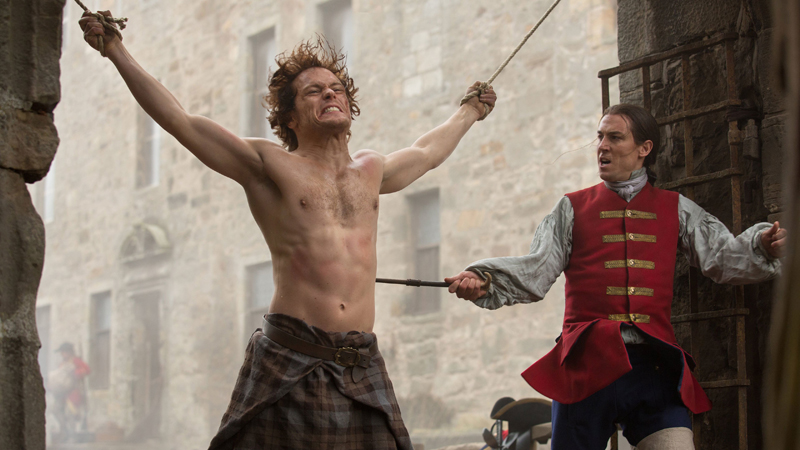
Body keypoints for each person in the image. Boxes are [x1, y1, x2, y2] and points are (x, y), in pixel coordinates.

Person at [79, 10, 496, 450]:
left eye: (336, 89)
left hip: (358, 363)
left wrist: (471, 110)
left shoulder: (372, 170)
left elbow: (427, 151)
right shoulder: (268, 165)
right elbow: (180, 120)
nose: (329, 94)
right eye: (313, 91)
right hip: (290, 359)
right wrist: (115, 49)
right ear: (291, 118)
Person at [445, 104, 786, 450]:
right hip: (585, 367)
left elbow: (721, 256)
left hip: (652, 368)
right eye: (600, 137)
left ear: (644, 148)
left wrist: (762, 246)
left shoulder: (677, 208)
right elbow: (536, 269)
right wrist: (484, 279)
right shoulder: (570, 208)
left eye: (615, 137)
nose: (602, 146)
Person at [49, 342, 91, 443]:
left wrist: (76, 373)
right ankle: (64, 431)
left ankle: (73, 436)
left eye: (63, 352)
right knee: (55, 410)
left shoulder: (76, 361)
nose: (62, 354)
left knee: (70, 414)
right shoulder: (62, 364)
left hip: (73, 392)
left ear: (68, 352)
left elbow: (87, 370)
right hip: (61, 393)